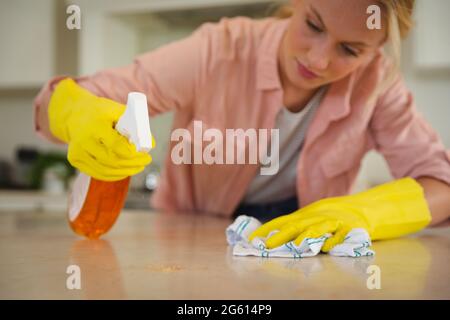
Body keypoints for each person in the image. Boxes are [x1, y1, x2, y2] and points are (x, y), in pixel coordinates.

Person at [34, 0, 450, 251]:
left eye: (350, 49)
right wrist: (75, 112)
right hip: (192, 245)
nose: (318, 60)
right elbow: (67, 99)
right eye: (313, 25)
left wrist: (364, 212)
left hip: (300, 252)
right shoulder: (217, 50)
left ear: (376, 51)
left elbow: (441, 185)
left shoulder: (378, 83)